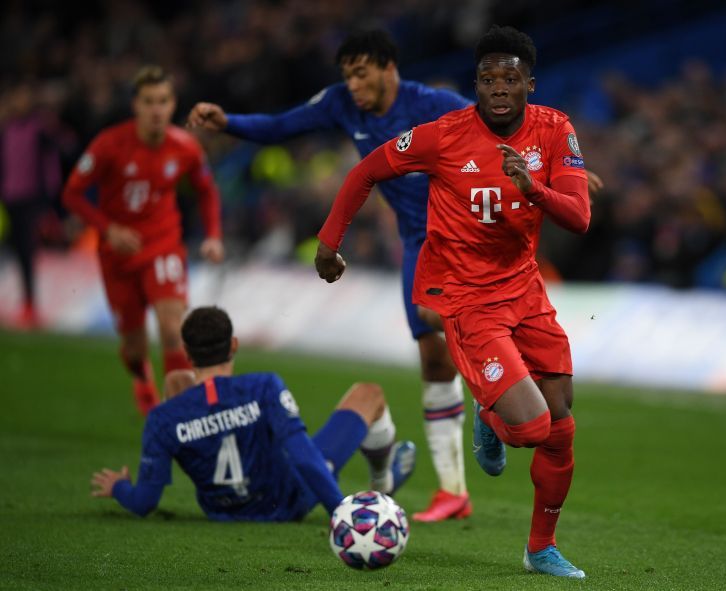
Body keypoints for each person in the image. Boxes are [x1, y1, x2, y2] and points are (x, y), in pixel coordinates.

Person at [314, 26, 588, 578]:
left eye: (510, 78)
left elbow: (578, 217)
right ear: (477, 85)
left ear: (529, 84)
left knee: (561, 427)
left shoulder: (555, 129)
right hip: (466, 297)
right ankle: (488, 413)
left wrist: (532, 187)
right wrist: (327, 244)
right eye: (488, 79)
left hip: (526, 289)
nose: (499, 89)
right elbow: (367, 170)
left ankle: (540, 549)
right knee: (531, 429)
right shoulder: (443, 135)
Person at [186, 30, 473, 522]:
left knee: (449, 330)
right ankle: (453, 491)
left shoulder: (435, 104)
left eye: (362, 73)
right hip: (416, 244)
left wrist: (555, 166)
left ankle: (494, 414)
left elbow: (502, 129)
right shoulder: (342, 104)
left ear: (389, 67)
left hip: (467, 236)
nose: (353, 84)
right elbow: (283, 125)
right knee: (431, 351)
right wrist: (229, 121)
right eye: (347, 75)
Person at [90, 306, 417, 521]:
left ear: (188, 353)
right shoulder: (263, 387)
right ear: (233, 346)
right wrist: (340, 513)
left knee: (177, 383)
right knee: (369, 393)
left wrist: (119, 487)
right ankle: (382, 483)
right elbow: (304, 456)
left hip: (221, 509)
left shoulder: (161, 418)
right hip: (286, 501)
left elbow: (144, 501)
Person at [62, 66, 224, 416]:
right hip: (117, 255)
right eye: (149, 101)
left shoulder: (185, 147)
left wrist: (212, 235)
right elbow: (72, 194)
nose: (156, 109)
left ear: (172, 105)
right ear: (136, 104)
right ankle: (142, 378)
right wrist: (109, 229)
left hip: (162, 245)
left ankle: (179, 412)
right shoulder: (109, 144)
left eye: (163, 101)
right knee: (134, 348)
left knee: (172, 328)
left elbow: (206, 190)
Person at [0, 82, 63, 329]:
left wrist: (49, 201)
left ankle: (30, 305)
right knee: (15, 252)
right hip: (7, 200)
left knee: (27, 253)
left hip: (30, 200)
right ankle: (23, 302)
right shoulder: (7, 130)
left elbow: (52, 166)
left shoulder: (39, 130)